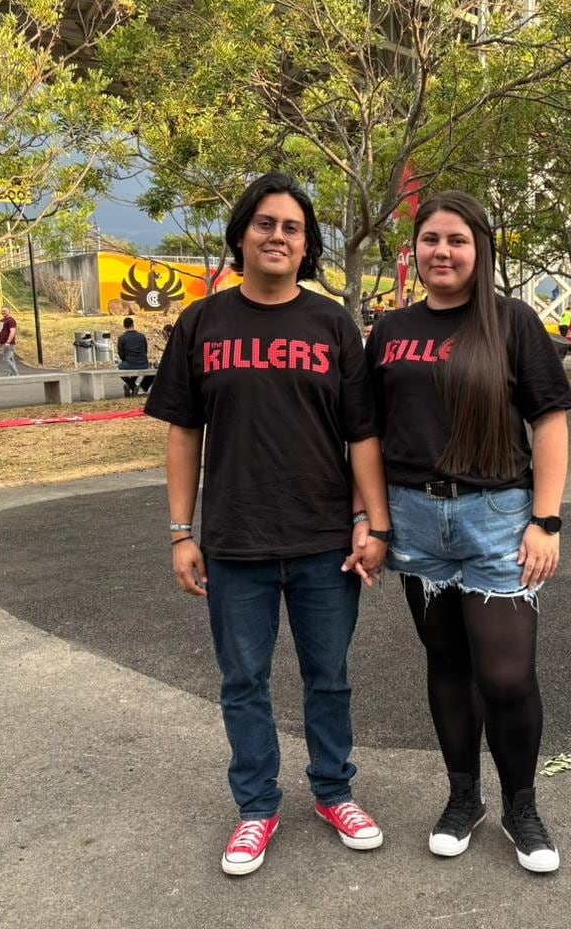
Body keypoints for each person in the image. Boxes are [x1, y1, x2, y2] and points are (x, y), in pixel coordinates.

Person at [144, 172, 390, 878]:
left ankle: (334, 792)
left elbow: (362, 435)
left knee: (329, 677)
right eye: (265, 223)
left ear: (307, 244)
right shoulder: (202, 322)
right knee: (243, 680)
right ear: (242, 233)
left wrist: (373, 524)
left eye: (292, 227)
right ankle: (256, 808)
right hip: (235, 542)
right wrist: (179, 532)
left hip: (322, 543)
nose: (277, 236)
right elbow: (183, 432)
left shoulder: (332, 324)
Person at [365, 191, 571, 874]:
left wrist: (546, 519)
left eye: (456, 240)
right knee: (448, 665)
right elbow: (367, 433)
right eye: (430, 239)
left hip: (497, 520)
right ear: (415, 249)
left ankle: (522, 805)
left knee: (507, 675)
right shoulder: (391, 329)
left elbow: (549, 422)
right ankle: (464, 797)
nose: (442, 252)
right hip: (416, 523)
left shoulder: (512, 323)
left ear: (479, 249)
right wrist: (368, 520)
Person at [116, 316, 152, 396]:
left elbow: (121, 355)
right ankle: (130, 385)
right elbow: (145, 351)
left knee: (119, 368)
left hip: (130, 363)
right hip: (143, 363)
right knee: (135, 366)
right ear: (133, 324)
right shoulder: (142, 336)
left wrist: (125, 360)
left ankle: (131, 385)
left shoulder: (122, 338)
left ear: (124, 326)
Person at [0, 306, 19, 376]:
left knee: (6, 358)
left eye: (5, 311)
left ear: (9, 311)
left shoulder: (11, 320)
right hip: (2, 343)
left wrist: (8, 342)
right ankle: (12, 373)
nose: (3, 312)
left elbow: (12, 331)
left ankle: (15, 373)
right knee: (11, 359)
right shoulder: (1, 321)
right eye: (2, 311)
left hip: (9, 344)